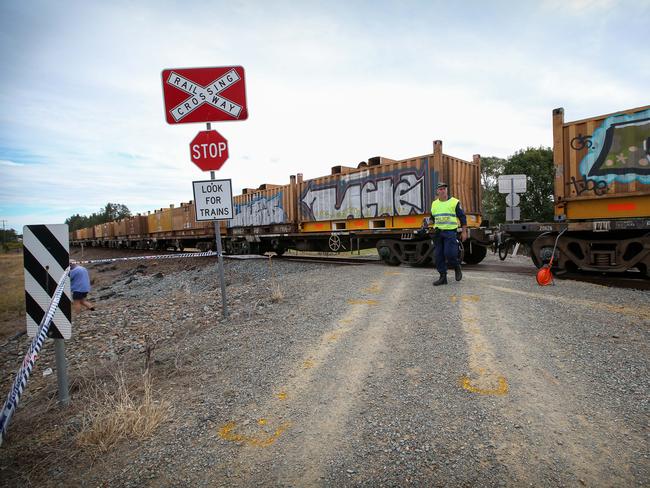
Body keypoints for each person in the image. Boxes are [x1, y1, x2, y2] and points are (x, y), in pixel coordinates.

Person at [430, 182, 468, 286]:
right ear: (437, 191)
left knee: (450, 254)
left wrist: (464, 232)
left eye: (444, 189)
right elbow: (433, 217)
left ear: (447, 190)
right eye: (440, 189)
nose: (442, 191)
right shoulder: (434, 204)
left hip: (450, 233)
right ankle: (443, 277)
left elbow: (462, 218)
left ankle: (456, 266)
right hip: (438, 233)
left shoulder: (454, 202)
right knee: (438, 256)